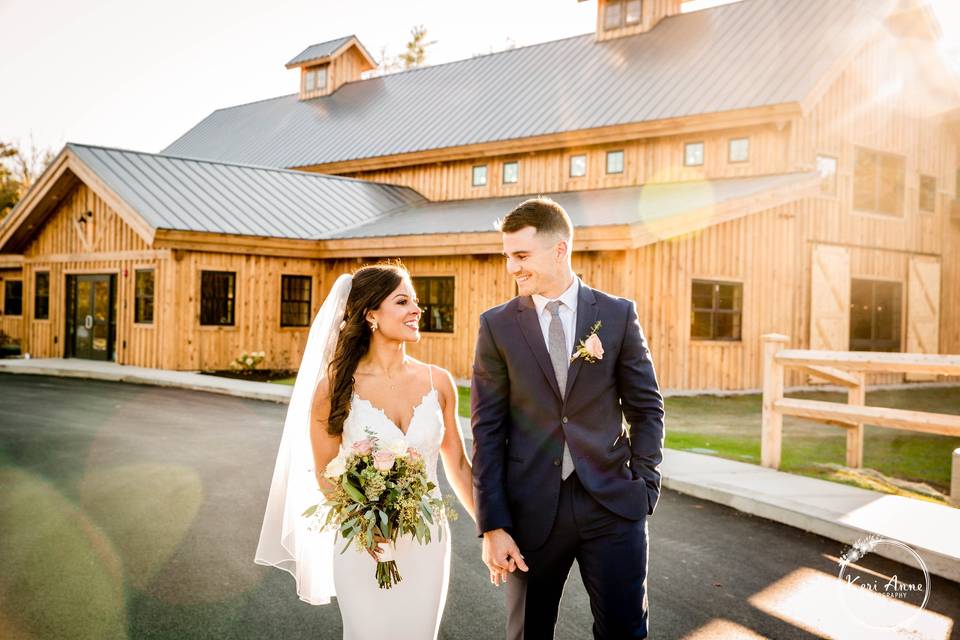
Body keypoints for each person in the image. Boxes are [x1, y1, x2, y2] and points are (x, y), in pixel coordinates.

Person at [471, 197, 665, 639]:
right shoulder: (497, 326)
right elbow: (487, 430)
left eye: (521, 256)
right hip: (530, 513)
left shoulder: (617, 315)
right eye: (507, 257)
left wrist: (645, 483)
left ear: (559, 250)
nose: (512, 268)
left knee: (625, 632)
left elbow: (646, 406)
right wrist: (494, 524)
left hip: (613, 506)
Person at [254, 261, 476, 640]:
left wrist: (491, 528)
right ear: (371, 314)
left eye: (415, 302)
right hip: (364, 543)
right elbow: (325, 472)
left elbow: (456, 462)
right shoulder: (335, 387)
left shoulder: (438, 381)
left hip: (427, 539)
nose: (416, 310)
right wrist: (366, 524)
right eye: (403, 301)